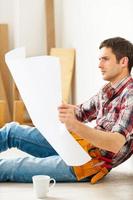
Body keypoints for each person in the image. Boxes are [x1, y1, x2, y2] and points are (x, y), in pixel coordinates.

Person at [0, 37, 133, 184]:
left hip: (88, 162)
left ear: (123, 62)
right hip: (79, 145)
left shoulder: (130, 96)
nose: (99, 65)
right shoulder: (108, 90)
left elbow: (115, 143)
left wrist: (74, 125)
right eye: (99, 59)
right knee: (11, 131)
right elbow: (81, 112)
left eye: (105, 59)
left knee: (7, 167)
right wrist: (52, 104)